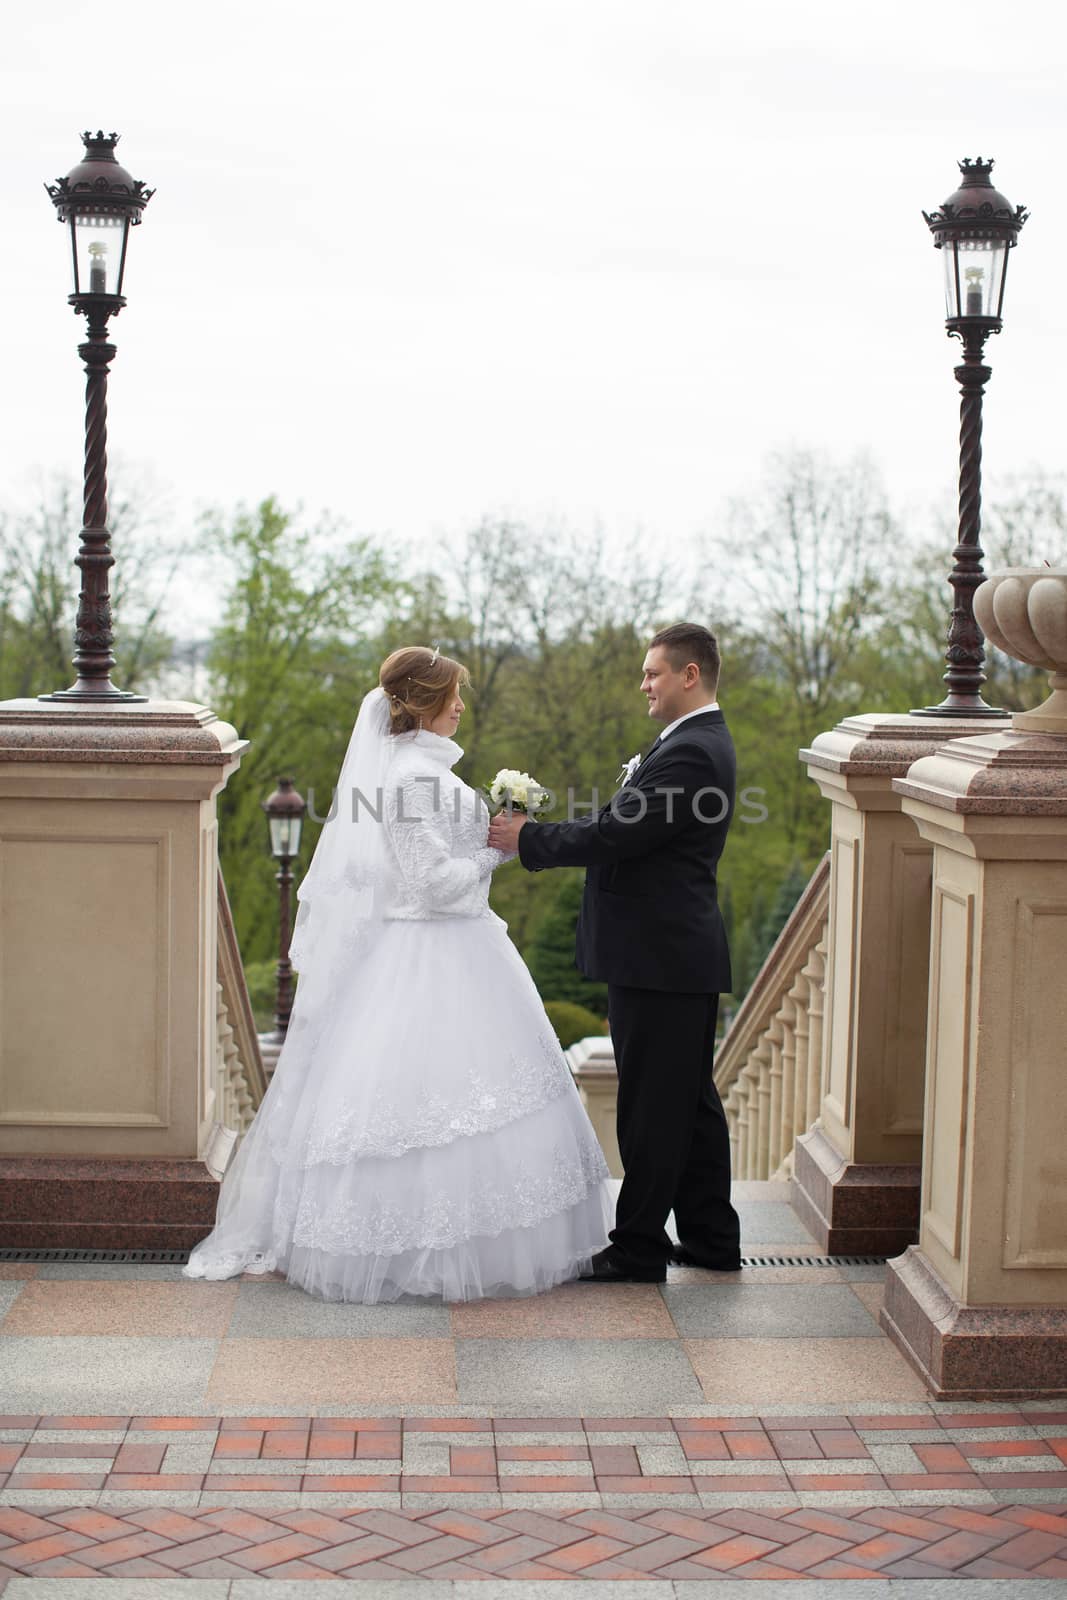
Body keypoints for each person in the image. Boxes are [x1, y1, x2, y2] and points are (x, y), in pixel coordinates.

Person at [184, 647, 611, 1302]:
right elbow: (433, 884)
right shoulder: (412, 780)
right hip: (431, 950)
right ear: (422, 702)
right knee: (429, 1107)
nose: (462, 706)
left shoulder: (421, 773)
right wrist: (497, 851)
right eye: (452, 695)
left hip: (459, 948)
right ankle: (420, 1251)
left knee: (468, 1105)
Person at [489, 622, 740, 1284]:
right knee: (687, 1103)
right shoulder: (688, 743)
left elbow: (616, 833)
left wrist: (529, 839)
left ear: (690, 676)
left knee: (653, 1107)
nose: (643, 684)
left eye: (654, 673)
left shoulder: (692, 752)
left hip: (660, 959)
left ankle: (637, 1249)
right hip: (667, 957)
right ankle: (712, 1238)